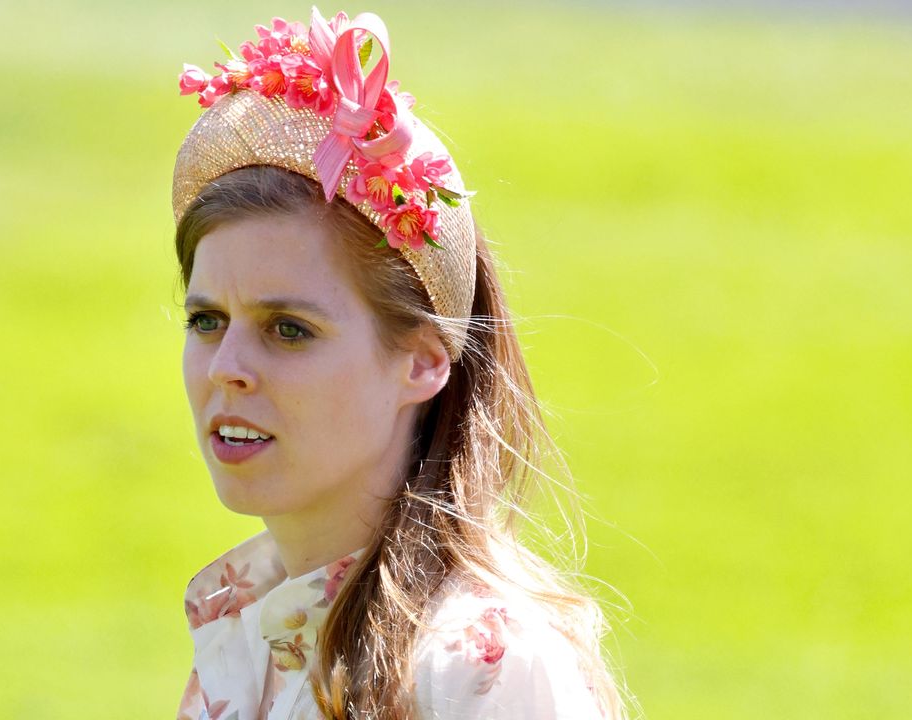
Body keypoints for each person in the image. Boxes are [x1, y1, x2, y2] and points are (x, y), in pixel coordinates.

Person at [170, 8, 628, 720]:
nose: (227, 367)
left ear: (420, 361)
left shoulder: (484, 668)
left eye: (289, 329)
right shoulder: (245, 625)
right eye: (207, 321)